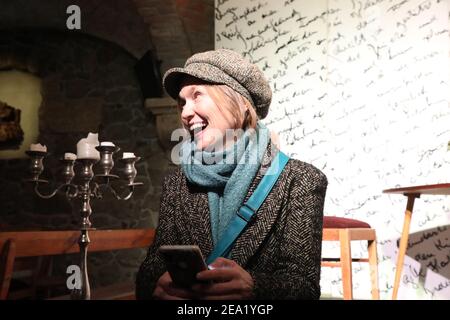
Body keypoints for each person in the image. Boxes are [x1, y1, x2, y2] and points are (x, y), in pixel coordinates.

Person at [135, 49, 327, 300]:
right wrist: (157, 287)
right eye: (182, 102)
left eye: (197, 96)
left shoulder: (300, 180)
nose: (185, 113)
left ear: (240, 102)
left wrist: (254, 288)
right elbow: (150, 271)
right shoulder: (176, 183)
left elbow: (304, 287)